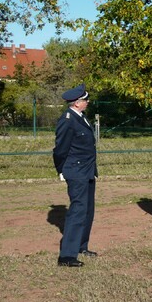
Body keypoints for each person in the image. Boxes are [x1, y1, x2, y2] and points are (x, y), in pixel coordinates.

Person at [52, 84, 97, 267]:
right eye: (85, 100)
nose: (88, 102)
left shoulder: (81, 117)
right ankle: (67, 256)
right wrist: (62, 170)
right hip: (76, 171)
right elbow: (60, 149)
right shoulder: (68, 120)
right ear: (77, 103)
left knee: (87, 210)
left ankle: (81, 246)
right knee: (77, 211)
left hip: (87, 171)